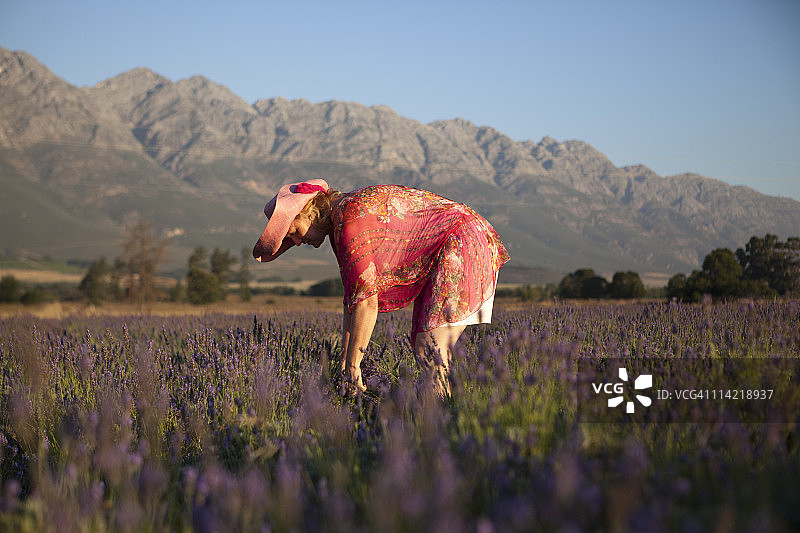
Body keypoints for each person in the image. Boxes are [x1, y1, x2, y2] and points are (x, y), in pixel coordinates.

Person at [253, 179, 510, 395]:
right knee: (427, 349)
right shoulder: (340, 220)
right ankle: (441, 421)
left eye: (294, 232)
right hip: (459, 240)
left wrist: (354, 368)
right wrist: (345, 363)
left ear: (307, 212)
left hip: (463, 241)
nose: (297, 242)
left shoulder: (349, 220)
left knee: (431, 348)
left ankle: (443, 427)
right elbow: (353, 301)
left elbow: (367, 302)